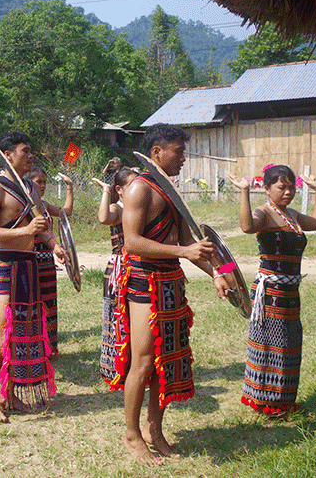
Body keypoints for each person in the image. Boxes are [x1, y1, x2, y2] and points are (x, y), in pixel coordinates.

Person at [118, 123, 228, 466]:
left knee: (163, 361)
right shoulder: (139, 188)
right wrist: (184, 252)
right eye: (178, 152)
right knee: (143, 362)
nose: (183, 158)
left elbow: (187, 243)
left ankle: (154, 429)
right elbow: (132, 242)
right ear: (156, 152)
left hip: (170, 283)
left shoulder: (170, 192)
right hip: (144, 282)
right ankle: (132, 435)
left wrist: (217, 274)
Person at [0, 131, 65, 422]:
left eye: (30, 151)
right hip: (4, 265)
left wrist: (54, 246)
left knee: (21, 333)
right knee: (3, 332)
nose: (30, 156)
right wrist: (25, 231)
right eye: (24, 151)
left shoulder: (31, 187)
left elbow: (40, 225)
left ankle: (10, 392)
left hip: (29, 265)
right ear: (8, 155)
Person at [228, 165, 316, 417]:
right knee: (270, 344)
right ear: (267, 189)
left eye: (291, 187)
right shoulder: (264, 213)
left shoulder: (292, 215)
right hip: (270, 294)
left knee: (289, 343)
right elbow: (247, 227)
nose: (288, 192)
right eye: (282, 187)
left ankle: (283, 401)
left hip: (290, 294)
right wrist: (244, 192)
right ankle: (264, 402)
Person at [92, 167, 138, 383]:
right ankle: (116, 367)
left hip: (138, 266)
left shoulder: (139, 207)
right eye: (132, 184)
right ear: (119, 189)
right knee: (117, 317)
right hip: (120, 270)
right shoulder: (117, 208)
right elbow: (104, 218)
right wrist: (106, 191)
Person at [23, 166, 74, 355]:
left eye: (44, 182)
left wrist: (69, 187)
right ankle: (34, 348)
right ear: (29, 184)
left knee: (48, 302)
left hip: (47, 262)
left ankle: (49, 347)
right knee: (34, 303)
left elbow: (66, 212)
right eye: (38, 182)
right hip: (31, 261)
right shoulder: (24, 205)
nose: (43, 185)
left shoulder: (44, 205)